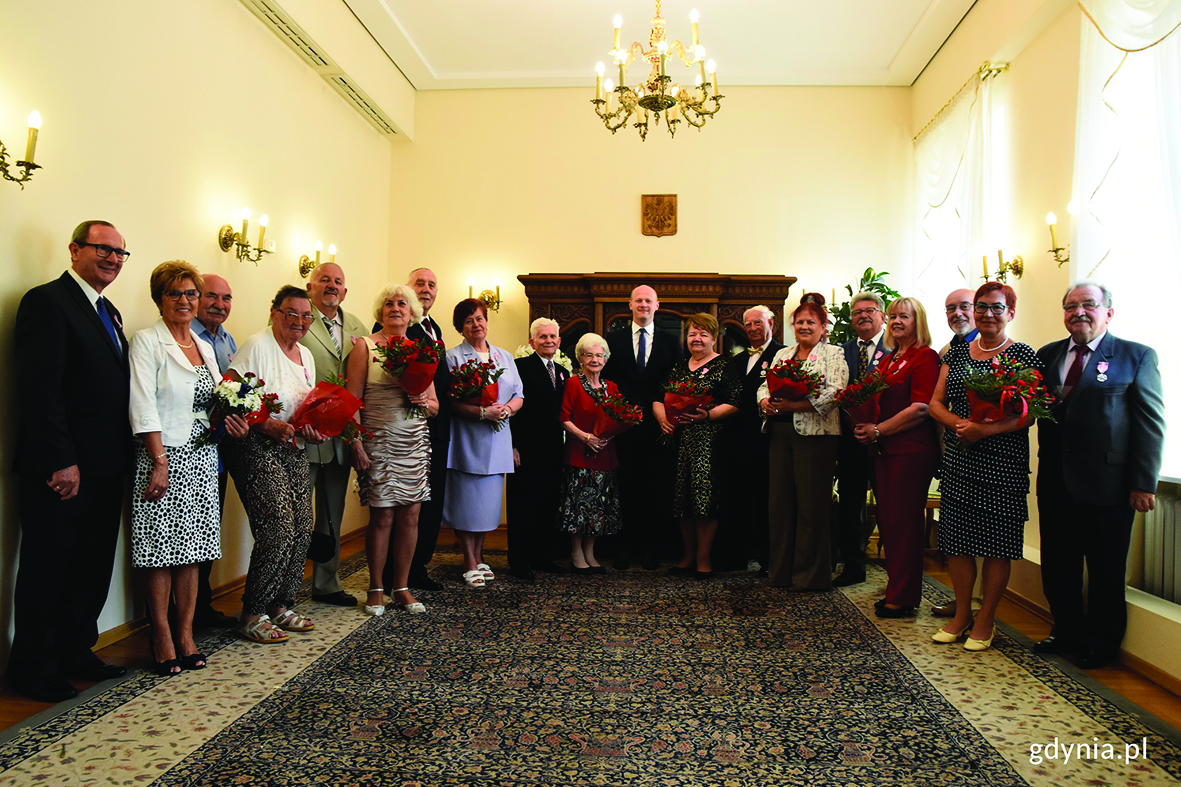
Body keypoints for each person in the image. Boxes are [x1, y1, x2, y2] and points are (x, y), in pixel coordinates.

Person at [9, 220, 132, 702]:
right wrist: (61, 460)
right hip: (62, 469)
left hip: (106, 465)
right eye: (103, 249)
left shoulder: (108, 310)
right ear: (75, 250)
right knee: (49, 568)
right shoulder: (47, 301)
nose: (113, 259)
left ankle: (76, 651)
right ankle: (33, 669)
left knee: (90, 567)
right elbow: (40, 391)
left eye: (120, 253)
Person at [1034, 282, 1166, 668]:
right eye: (1070, 306)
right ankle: (1065, 629)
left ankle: (1100, 642)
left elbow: (1150, 424)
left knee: (1106, 568)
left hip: (1109, 485)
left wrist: (1143, 482)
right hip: (1055, 482)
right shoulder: (1047, 355)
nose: (1079, 312)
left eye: (1088, 304)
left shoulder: (1136, 356)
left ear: (1108, 312)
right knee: (1058, 564)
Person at [128, 262, 248, 674]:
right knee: (160, 551)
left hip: (202, 457)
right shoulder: (147, 341)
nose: (184, 300)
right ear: (159, 299)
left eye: (190, 293)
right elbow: (142, 404)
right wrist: (159, 461)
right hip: (161, 456)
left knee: (194, 551)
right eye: (174, 293)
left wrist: (233, 418)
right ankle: (161, 635)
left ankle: (185, 633)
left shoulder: (204, 345)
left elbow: (214, 401)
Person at [929, 282, 1041, 652]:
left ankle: (986, 618)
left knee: (997, 544)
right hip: (960, 457)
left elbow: (1029, 414)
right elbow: (936, 404)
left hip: (1003, 464)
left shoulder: (1022, 355)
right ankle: (962, 614)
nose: (987, 314)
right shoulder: (958, 353)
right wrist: (960, 425)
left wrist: (985, 430)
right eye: (981, 306)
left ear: (1011, 313)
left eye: (996, 307)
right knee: (957, 541)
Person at [224, 286, 328, 643]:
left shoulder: (306, 355)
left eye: (306, 316)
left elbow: (303, 406)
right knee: (278, 526)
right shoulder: (257, 345)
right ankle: (252, 613)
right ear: (274, 312)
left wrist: (314, 429)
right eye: (291, 313)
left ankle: (280, 604)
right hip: (255, 445)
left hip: (293, 445)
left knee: (302, 525)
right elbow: (230, 395)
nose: (299, 321)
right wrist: (266, 424)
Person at [346, 284, 438, 615]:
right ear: (380, 312)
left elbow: (435, 407)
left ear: (412, 313)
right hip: (379, 441)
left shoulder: (421, 351)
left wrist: (422, 399)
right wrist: (356, 443)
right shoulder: (364, 346)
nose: (395, 308)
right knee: (382, 515)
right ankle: (375, 587)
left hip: (413, 441)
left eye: (402, 303)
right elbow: (351, 401)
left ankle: (401, 587)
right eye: (388, 304)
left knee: (411, 515)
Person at [852, 297, 940, 617]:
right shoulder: (889, 359)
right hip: (885, 450)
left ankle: (903, 597)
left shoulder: (925, 357)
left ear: (919, 321)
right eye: (892, 316)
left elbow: (921, 408)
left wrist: (878, 430)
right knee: (889, 523)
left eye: (905, 316)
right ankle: (896, 589)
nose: (897, 321)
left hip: (911, 451)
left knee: (904, 525)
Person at [757, 293, 848, 591]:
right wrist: (765, 402)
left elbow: (835, 392)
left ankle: (810, 576)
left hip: (816, 437)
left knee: (811, 507)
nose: (804, 326)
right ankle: (781, 573)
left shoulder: (833, 354)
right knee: (779, 507)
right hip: (779, 434)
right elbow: (763, 386)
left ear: (823, 326)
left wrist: (793, 406)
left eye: (811, 322)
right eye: (799, 322)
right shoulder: (783, 354)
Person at [441, 298, 524, 587]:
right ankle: (469, 560)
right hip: (468, 438)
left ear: (487, 322)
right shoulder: (453, 357)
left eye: (479, 318)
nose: (476, 324)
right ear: (460, 328)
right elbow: (450, 401)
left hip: (498, 437)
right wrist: (481, 412)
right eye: (469, 321)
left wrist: (507, 409)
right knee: (467, 502)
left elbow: (519, 394)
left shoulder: (504, 356)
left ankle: (479, 555)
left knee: (487, 505)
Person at [299, 263, 369, 608]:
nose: (331, 285)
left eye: (338, 281)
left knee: (332, 513)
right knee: (297, 515)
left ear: (345, 291)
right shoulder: (298, 318)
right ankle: (284, 585)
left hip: (342, 435)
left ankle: (327, 583)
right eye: (324, 280)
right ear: (310, 287)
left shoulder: (357, 326)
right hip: (305, 431)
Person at [653, 313, 741, 579]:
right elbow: (659, 397)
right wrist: (662, 419)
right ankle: (687, 557)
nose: (697, 339)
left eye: (703, 334)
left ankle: (704, 560)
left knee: (705, 502)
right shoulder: (679, 366)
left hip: (709, 444)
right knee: (682, 501)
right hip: (679, 444)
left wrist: (709, 415)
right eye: (692, 334)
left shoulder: (724, 365)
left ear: (714, 338)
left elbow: (736, 401)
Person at [602, 285, 682, 570]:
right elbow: (606, 381)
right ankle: (623, 547)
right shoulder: (613, 339)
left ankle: (650, 548)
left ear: (657, 305)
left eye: (649, 300)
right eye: (639, 300)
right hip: (622, 427)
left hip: (658, 428)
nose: (643, 305)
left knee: (653, 488)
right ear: (630, 304)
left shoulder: (671, 341)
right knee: (623, 487)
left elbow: (676, 382)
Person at [717, 306, 783, 574]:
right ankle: (735, 557)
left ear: (771, 324)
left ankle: (769, 560)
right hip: (737, 441)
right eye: (748, 324)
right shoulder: (736, 359)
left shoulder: (783, 355)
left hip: (768, 439)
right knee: (738, 499)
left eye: (758, 323)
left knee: (768, 501)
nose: (753, 328)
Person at [191, 273, 239, 629]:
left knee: (208, 532)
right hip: (187, 450)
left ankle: (200, 607)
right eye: (211, 296)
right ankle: (180, 615)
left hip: (219, 454)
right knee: (185, 537)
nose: (219, 305)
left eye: (226, 298)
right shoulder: (184, 336)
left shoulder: (227, 340)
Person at [507, 318, 571, 582]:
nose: (548, 341)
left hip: (554, 449)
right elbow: (511, 406)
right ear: (532, 342)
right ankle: (519, 562)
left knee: (547, 505)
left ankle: (542, 557)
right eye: (543, 337)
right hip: (525, 449)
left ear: (559, 341)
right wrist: (512, 445)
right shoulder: (519, 366)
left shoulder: (562, 371)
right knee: (524, 506)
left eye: (552, 336)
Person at [833, 292, 889, 588]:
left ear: (883, 316)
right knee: (850, 504)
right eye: (857, 312)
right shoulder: (841, 351)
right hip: (849, 440)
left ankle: (897, 574)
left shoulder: (895, 348)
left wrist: (878, 426)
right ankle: (853, 566)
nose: (863, 315)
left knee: (889, 506)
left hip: (886, 439)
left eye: (870, 310)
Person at [399, 267, 449, 592]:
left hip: (437, 424)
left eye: (432, 284)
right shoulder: (399, 324)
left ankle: (419, 565)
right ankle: (401, 570)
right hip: (410, 424)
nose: (426, 289)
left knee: (431, 500)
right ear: (407, 288)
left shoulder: (435, 328)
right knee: (409, 502)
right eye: (420, 283)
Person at [932, 288, 979, 618]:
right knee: (957, 533)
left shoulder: (995, 349)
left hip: (988, 451)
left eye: (964, 306)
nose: (957, 313)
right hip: (954, 450)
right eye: (950, 308)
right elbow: (938, 404)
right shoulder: (947, 352)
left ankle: (979, 604)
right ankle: (963, 600)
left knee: (984, 534)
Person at [557, 333, 622, 572]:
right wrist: (586, 437)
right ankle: (576, 553)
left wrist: (608, 435)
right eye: (589, 355)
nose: (595, 360)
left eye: (599, 355)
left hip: (605, 454)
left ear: (605, 359)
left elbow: (619, 417)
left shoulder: (611, 387)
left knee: (598, 507)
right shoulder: (573, 384)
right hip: (579, 453)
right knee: (579, 507)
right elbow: (563, 418)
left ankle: (590, 553)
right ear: (580, 359)